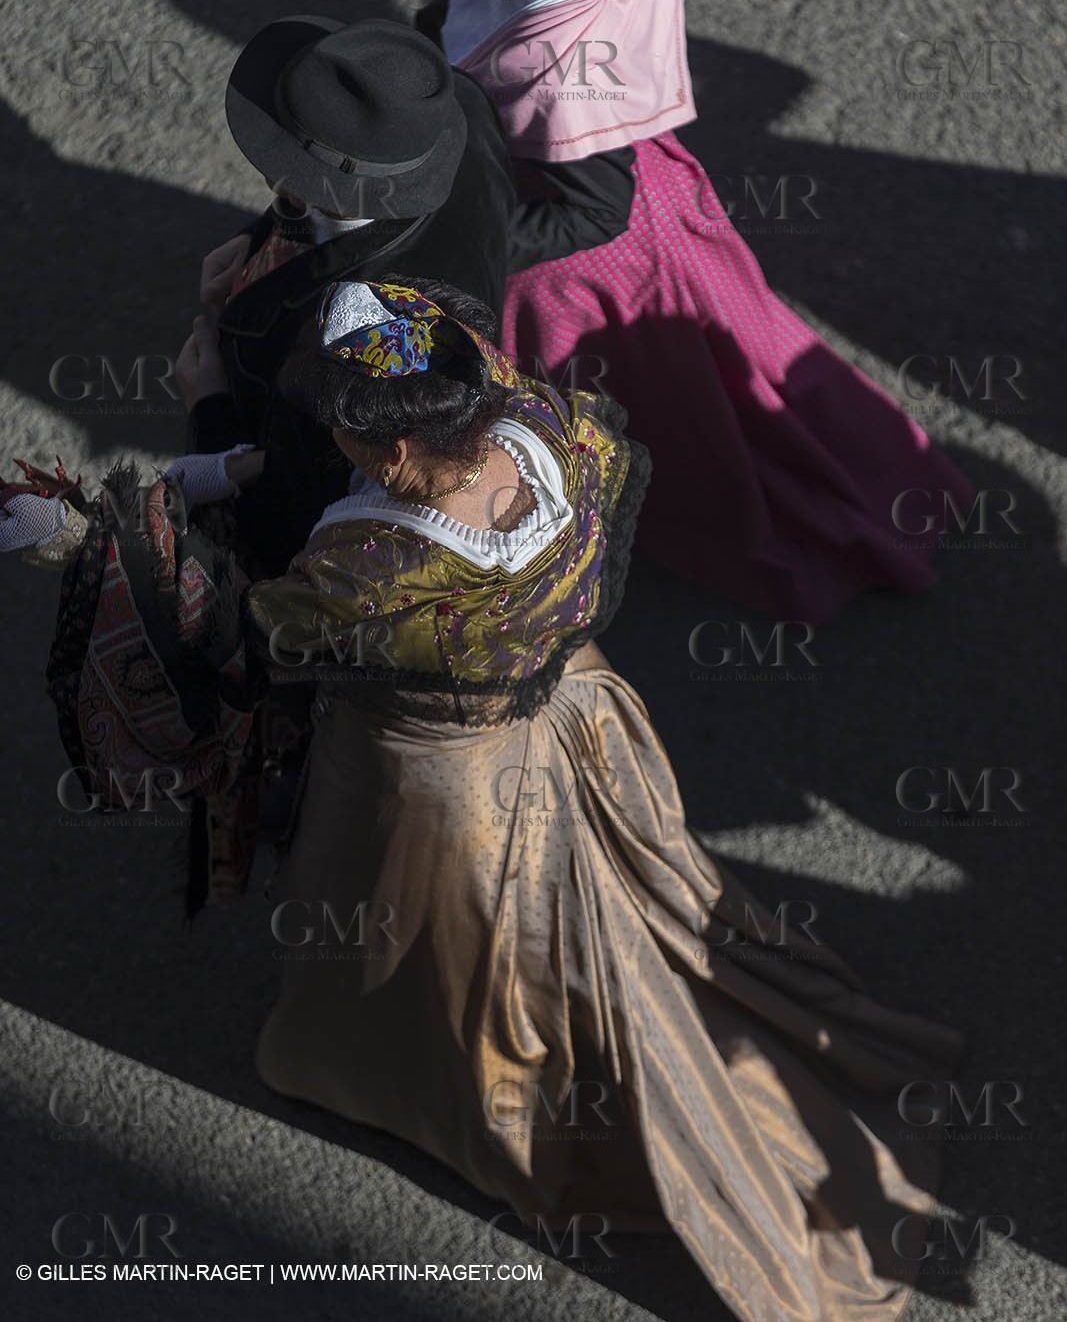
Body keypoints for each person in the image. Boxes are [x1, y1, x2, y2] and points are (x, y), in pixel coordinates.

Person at [3, 277, 961, 1321]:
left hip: (437, 784)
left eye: (342, 427)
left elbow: (235, 631)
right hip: (577, 711)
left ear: (397, 451)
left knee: (442, 949)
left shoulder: (370, 561)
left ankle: (438, 1096)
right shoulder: (541, 421)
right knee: (620, 922)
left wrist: (84, 535)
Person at [417, 0, 975, 624]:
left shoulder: (563, 65)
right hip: (654, 191)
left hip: (598, 266)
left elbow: (587, 214)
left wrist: (451, 232)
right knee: (734, 384)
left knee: (671, 417)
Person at [188, 16, 516, 580]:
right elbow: (339, 185)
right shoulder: (449, 108)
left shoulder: (372, 328)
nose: (273, 175)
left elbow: (304, 486)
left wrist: (210, 406)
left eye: (286, 165)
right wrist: (263, 231)